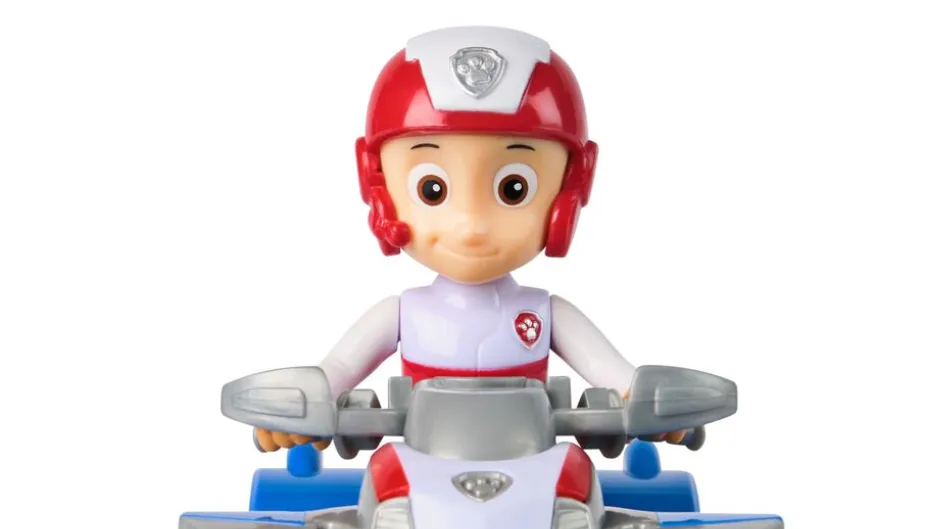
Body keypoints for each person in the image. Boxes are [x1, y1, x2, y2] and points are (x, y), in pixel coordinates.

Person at [256, 26, 685, 451]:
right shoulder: (404, 313)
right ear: (377, 185)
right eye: (433, 190)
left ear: (570, 189)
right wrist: (300, 406)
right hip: (421, 461)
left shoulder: (545, 313)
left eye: (513, 189)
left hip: (534, 460)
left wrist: (648, 400)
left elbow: (613, 371)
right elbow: (337, 368)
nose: (472, 225)